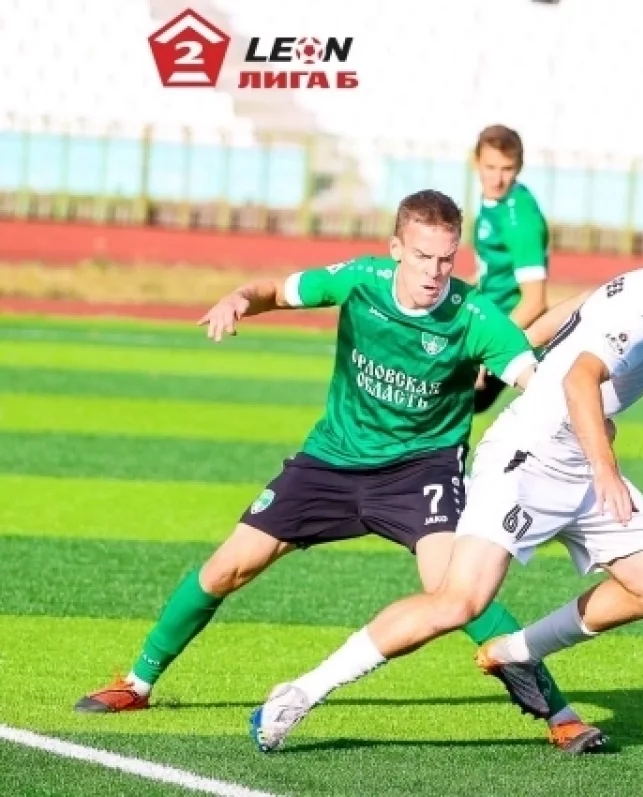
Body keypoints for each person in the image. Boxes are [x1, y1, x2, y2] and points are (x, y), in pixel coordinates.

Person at [73, 188, 608, 754]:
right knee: (228, 567)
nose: (434, 272)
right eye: (422, 256)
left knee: (457, 593)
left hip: (421, 471)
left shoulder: (476, 317)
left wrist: (584, 420)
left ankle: (560, 715)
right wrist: (238, 298)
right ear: (396, 249)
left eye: (446, 259)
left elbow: (536, 383)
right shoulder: (359, 280)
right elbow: (275, 291)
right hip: (330, 460)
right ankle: (137, 682)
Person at [248, 204, 643, 752]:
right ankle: (300, 693)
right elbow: (579, 380)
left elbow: (579, 308)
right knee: (457, 603)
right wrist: (605, 468)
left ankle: (517, 652)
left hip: (578, 460)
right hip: (527, 459)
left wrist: (520, 341)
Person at [470, 124, 551, 415]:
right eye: (490, 167)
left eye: (507, 169)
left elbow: (534, 302)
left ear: (520, 167)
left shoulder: (520, 218)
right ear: (476, 162)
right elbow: (489, 271)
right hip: (488, 322)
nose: (497, 178)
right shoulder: (493, 202)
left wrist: (490, 348)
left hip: (510, 332)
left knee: (436, 402)